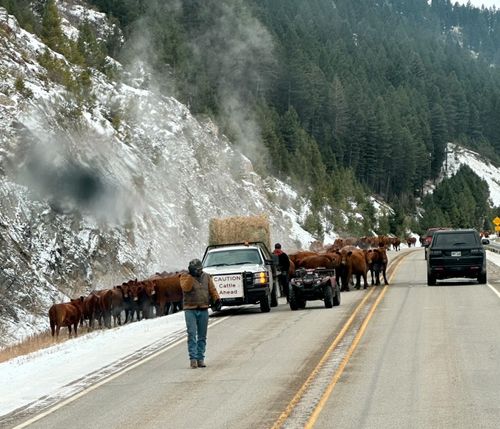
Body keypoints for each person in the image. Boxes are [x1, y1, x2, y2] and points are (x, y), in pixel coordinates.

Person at [180, 258, 221, 369]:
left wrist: (217, 299)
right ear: (191, 270)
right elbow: (186, 288)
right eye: (196, 270)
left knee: (202, 336)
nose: (198, 272)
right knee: (192, 334)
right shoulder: (184, 277)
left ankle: (200, 358)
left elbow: (212, 289)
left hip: (203, 308)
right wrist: (191, 276)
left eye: (199, 269)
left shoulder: (206, 277)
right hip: (190, 309)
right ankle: (193, 359)